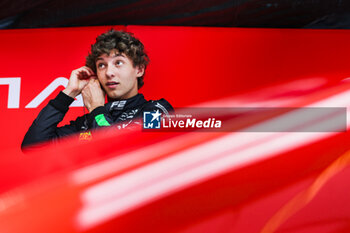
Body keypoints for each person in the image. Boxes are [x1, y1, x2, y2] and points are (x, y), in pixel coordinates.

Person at [22, 29, 173, 149]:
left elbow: (117, 148)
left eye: (118, 62)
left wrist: (96, 109)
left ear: (139, 70)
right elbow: (33, 146)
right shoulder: (85, 123)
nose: (108, 72)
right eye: (102, 65)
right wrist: (68, 93)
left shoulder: (157, 110)